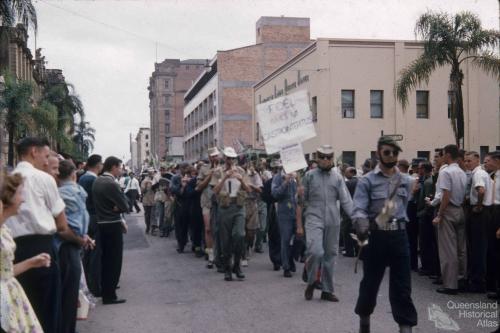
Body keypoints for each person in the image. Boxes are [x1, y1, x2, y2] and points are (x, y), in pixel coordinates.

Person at [6, 137, 85, 333]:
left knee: (23, 311)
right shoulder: (43, 179)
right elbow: (62, 224)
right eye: (46, 155)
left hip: (12, 250)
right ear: (34, 151)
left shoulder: (8, 179)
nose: (46, 160)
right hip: (42, 249)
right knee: (48, 309)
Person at [352, 136, 417, 333]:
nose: (391, 156)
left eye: (395, 153)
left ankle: (405, 327)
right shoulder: (366, 181)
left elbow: (403, 208)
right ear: (378, 152)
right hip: (377, 238)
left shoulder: (406, 180)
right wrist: (362, 223)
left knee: (402, 287)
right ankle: (364, 323)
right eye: (387, 152)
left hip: (399, 237)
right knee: (370, 284)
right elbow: (359, 209)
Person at [297, 144, 354, 302]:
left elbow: (346, 200)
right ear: (317, 157)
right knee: (315, 252)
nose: (325, 160)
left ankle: (327, 290)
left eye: (328, 157)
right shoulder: (309, 176)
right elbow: (301, 201)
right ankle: (311, 282)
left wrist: (356, 218)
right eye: (322, 157)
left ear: (332, 159)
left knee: (330, 255)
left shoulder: (337, 177)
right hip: (313, 217)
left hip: (333, 219)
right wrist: (299, 195)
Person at [1, 173, 48, 333]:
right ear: (8, 197)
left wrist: (31, 263)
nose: (23, 199)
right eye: (20, 193)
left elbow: (5, 273)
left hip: (10, 294)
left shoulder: (4, 229)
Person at [56, 160, 93, 333]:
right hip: (71, 245)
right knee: (70, 294)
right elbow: (76, 222)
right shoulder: (78, 191)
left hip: (67, 244)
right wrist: (83, 237)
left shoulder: (58, 193)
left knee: (66, 294)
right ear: (73, 175)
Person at [92, 156, 130, 304]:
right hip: (112, 224)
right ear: (113, 167)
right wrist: (117, 207)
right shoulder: (110, 183)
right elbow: (126, 206)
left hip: (102, 223)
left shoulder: (97, 181)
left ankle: (106, 290)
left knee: (106, 260)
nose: (120, 170)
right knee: (114, 261)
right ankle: (110, 294)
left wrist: (117, 206)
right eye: (119, 167)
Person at [432, 144, 467, 295]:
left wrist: (440, 214)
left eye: (443, 154)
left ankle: (450, 285)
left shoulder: (446, 172)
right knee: (461, 249)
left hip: (448, 209)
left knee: (448, 250)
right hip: (460, 209)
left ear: (447, 155)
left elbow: (446, 194)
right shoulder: (462, 171)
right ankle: (461, 279)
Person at [212, 147, 251, 281]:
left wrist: (240, 179)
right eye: (228, 158)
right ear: (224, 158)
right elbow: (215, 191)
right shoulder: (218, 171)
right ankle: (228, 268)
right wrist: (225, 177)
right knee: (225, 240)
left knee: (239, 235)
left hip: (239, 206)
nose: (230, 161)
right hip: (225, 206)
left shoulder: (240, 171)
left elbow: (249, 189)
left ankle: (237, 264)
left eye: (232, 158)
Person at [465, 151, 493, 293]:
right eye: (466, 161)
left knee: (478, 248)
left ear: (477, 160)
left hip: (480, 213)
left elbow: (481, 191)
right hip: (484, 212)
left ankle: (478, 282)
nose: (467, 163)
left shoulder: (478, 174)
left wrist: (479, 205)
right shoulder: (482, 173)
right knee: (479, 247)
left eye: (469, 161)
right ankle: (479, 279)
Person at [79, 154, 103, 297]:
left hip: (87, 218)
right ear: (98, 165)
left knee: (88, 253)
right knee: (95, 253)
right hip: (94, 218)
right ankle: (95, 285)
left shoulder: (83, 178)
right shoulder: (92, 179)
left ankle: (90, 283)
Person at [195, 147, 220, 268]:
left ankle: (220, 254)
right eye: (214, 156)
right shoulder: (204, 169)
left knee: (220, 229)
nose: (216, 157)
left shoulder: (224, 168)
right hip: (207, 202)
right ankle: (210, 256)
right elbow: (198, 187)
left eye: (217, 155)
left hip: (221, 202)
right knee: (208, 229)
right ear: (210, 157)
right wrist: (209, 176)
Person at [272, 165, 297, 277]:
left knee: (300, 240)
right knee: (285, 240)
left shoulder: (296, 176)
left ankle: (291, 257)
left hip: (297, 212)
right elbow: (275, 194)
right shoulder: (278, 177)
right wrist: (286, 181)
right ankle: (286, 267)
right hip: (284, 213)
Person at [170, 163, 191, 253]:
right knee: (178, 225)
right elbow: (172, 189)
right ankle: (180, 244)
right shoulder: (175, 178)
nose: (185, 170)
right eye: (183, 168)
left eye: (186, 168)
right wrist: (181, 186)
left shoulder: (191, 177)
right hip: (178, 204)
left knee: (186, 225)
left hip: (189, 203)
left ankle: (186, 241)